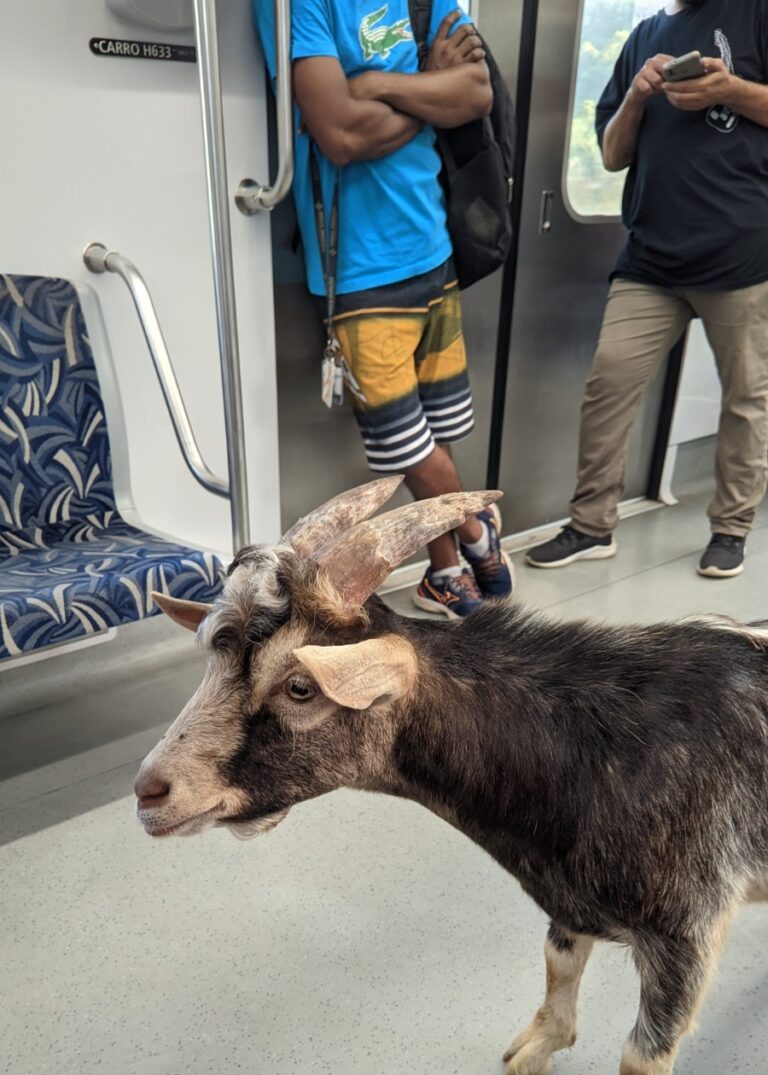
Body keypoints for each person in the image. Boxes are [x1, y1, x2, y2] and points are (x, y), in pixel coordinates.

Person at [253, 1, 513, 616]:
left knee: (441, 429)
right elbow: (340, 134)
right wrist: (427, 90)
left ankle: (444, 571)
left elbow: (476, 94)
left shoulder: (426, 3)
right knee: (407, 446)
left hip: (436, 253)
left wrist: (375, 87)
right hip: (361, 274)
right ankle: (475, 529)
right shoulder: (293, 6)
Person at [528, 0, 768, 580]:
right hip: (650, 260)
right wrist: (637, 96)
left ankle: (730, 529)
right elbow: (612, 155)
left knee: (746, 400)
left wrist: (729, 90)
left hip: (742, 258)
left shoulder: (755, 13)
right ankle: (591, 525)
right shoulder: (645, 35)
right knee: (608, 383)